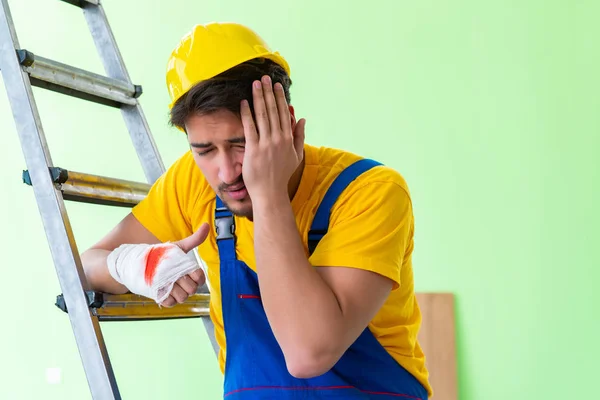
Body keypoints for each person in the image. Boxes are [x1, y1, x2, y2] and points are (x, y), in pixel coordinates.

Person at [81, 22, 433, 399]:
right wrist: (138, 266)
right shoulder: (192, 182)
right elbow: (85, 266)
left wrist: (269, 196)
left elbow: (307, 354)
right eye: (204, 150)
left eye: (241, 144)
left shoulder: (369, 192)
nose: (228, 171)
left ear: (286, 123)